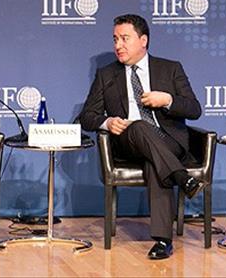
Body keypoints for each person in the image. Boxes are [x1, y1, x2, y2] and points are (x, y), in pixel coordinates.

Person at [79, 14, 206, 259]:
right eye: (115, 39)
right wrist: (108, 122)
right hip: (128, 143)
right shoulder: (107, 74)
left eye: (124, 38)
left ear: (143, 40)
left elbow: (194, 109)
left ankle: (163, 240)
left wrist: (167, 100)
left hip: (168, 142)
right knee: (137, 127)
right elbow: (86, 117)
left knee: (154, 162)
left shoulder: (170, 68)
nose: (118, 45)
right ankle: (182, 177)